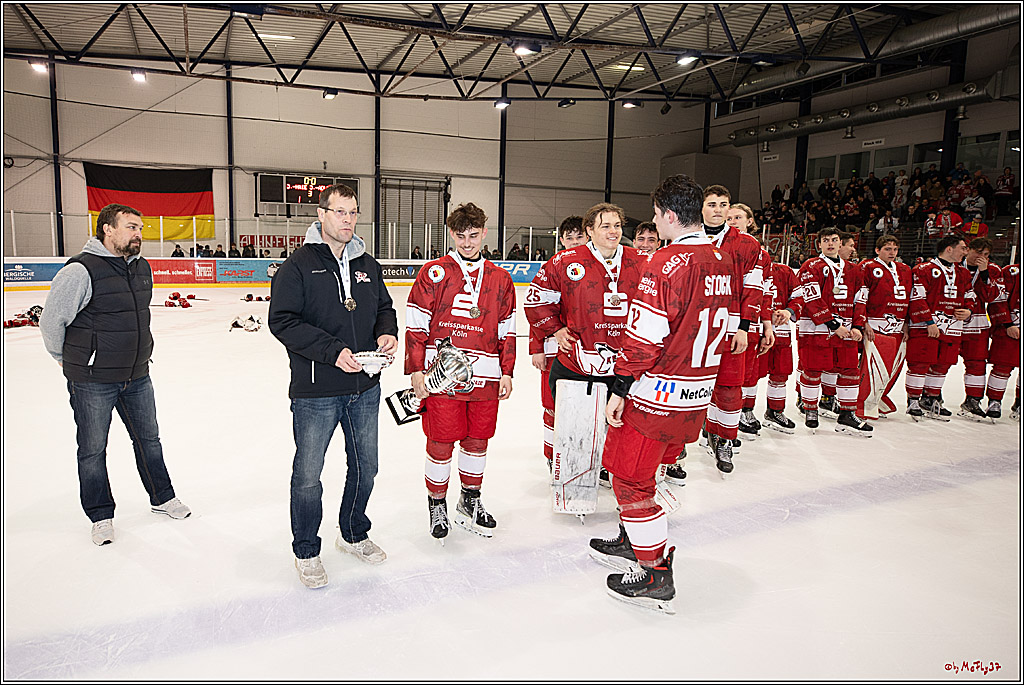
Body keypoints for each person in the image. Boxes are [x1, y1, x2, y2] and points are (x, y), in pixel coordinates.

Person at [587, 173, 732, 613]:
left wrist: (620, 385)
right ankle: (633, 540)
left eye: (655, 214)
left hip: (657, 394)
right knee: (646, 472)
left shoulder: (666, 264)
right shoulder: (722, 260)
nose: (652, 221)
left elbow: (645, 337)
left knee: (630, 478)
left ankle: (655, 573)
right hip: (696, 392)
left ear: (669, 216)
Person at [268, 183, 399, 589]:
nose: (347, 219)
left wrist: (386, 334)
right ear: (321, 214)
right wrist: (332, 351)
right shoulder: (298, 266)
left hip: (364, 386)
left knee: (367, 466)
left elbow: (383, 308)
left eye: (353, 212)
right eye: (339, 212)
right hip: (316, 391)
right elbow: (283, 322)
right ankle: (306, 549)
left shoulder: (367, 264)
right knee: (308, 474)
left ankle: (354, 531)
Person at [39, 203, 191, 547]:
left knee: (148, 440)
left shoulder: (141, 267)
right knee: (93, 450)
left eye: (140, 228)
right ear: (108, 229)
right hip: (92, 380)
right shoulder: (80, 270)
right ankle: (100, 515)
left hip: (137, 375)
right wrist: (64, 359)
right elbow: (51, 321)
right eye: (131, 227)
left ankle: (162, 497)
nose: (139, 234)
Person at [406, 202, 516, 542]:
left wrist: (508, 371)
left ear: (484, 233)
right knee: (440, 441)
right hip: (444, 377)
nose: (467, 242)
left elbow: (508, 329)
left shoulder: (500, 278)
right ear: (451, 234)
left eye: (473, 235)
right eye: (460, 235)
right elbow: (415, 323)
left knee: (477, 440)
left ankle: (470, 500)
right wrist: (416, 371)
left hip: (486, 376)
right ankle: (436, 503)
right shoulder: (434, 272)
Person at [525, 203, 647, 488]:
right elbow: (536, 299)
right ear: (589, 230)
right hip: (578, 362)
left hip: (623, 364)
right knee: (577, 424)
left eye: (617, 225)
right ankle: (575, 475)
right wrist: (555, 329)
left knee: (616, 421)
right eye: (605, 226)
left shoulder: (640, 260)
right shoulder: (565, 261)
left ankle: (607, 466)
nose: (613, 231)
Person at [700, 185, 765, 472]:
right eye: (712, 204)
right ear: (701, 207)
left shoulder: (747, 244)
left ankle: (724, 437)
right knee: (690, 385)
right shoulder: (687, 238)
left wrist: (744, 327)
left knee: (729, 385)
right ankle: (683, 442)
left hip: (730, 327)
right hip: (694, 328)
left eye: (723, 204)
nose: (717, 210)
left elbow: (754, 288)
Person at [795, 227, 872, 435]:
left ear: (840, 243)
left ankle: (847, 414)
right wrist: (833, 324)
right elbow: (811, 298)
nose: (830, 243)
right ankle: (810, 409)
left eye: (834, 240)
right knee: (813, 369)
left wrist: (857, 326)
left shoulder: (854, 269)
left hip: (846, 330)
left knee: (849, 370)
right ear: (818, 244)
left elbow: (860, 300)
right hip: (817, 329)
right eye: (825, 240)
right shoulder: (811, 266)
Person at [527, 215, 586, 469]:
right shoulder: (552, 267)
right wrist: (537, 348)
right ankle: (553, 456)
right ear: (561, 240)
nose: (574, 243)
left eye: (579, 237)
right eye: (569, 238)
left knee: (587, 406)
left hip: (588, 353)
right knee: (552, 405)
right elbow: (536, 309)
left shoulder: (597, 268)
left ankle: (585, 454)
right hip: (554, 350)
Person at [905, 236, 973, 419]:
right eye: (963, 248)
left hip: (953, 327)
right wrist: (929, 321)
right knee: (920, 363)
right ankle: (913, 400)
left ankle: (931, 398)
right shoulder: (924, 270)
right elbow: (917, 298)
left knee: (943, 364)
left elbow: (970, 295)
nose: (965, 252)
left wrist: (968, 310)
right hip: (926, 326)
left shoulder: (964, 273)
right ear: (949, 249)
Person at [726, 204, 775, 442]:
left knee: (747, 373)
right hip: (721, 321)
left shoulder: (761, 254)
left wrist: (767, 324)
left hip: (749, 323)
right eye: (729, 217)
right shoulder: (717, 246)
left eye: (738, 217)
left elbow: (765, 291)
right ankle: (713, 421)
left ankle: (742, 413)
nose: (733, 220)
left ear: (749, 221)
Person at [855, 234, 913, 418]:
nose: (892, 253)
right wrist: (863, 322)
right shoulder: (867, 267)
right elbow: (860, 297)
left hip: (897, 326)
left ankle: (878, 398)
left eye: (895, 249)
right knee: (872, 368)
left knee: (891, 368)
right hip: (875, 325)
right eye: (888, 249)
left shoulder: (904, 269)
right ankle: (862, 403)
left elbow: (909, 298)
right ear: (877, 250)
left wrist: (906, 323)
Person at [956, 237, 1002, 420]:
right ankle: (931, 396)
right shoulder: (954, 266)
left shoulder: (993, 270)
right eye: (978, 253)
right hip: (952, 319)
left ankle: (973, 399)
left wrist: (984, 274)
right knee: (939, 360)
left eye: (986, 255)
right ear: (968, 250)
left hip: (977, 323)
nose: (981, 258)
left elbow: (991, 297)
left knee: (977, 362)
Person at [984, 261, 1020, 419]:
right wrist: (1007, 324)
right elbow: (997, 300)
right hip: (1010, 328)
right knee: (1002, 368)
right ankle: (994, 401)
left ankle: (1019, 403)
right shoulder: (1010, 272)